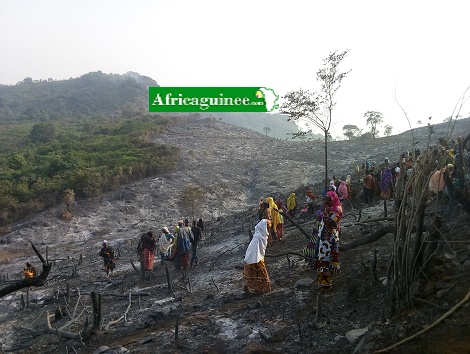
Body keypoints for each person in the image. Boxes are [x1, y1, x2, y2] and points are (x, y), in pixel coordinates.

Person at [312, 191, 343, 289]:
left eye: (327, 200)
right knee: (322, 260)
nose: (325, 203)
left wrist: (325, 213)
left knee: (326, 261)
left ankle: (326, 285)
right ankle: (322, 282)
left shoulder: (336, 210)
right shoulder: (328, 210)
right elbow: (320, 217)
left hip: (329, 238)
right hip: (324, 239)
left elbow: (333, 222)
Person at [243, 218, 272, 294]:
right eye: (268, 228)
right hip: (256, 258)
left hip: (257, 257)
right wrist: (256, 259)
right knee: (262, 274)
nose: (268, 230)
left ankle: (257, 288)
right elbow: (255, 249)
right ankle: (265, 288)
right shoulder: (258, 237)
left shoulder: (261, 235)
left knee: (256, 275)